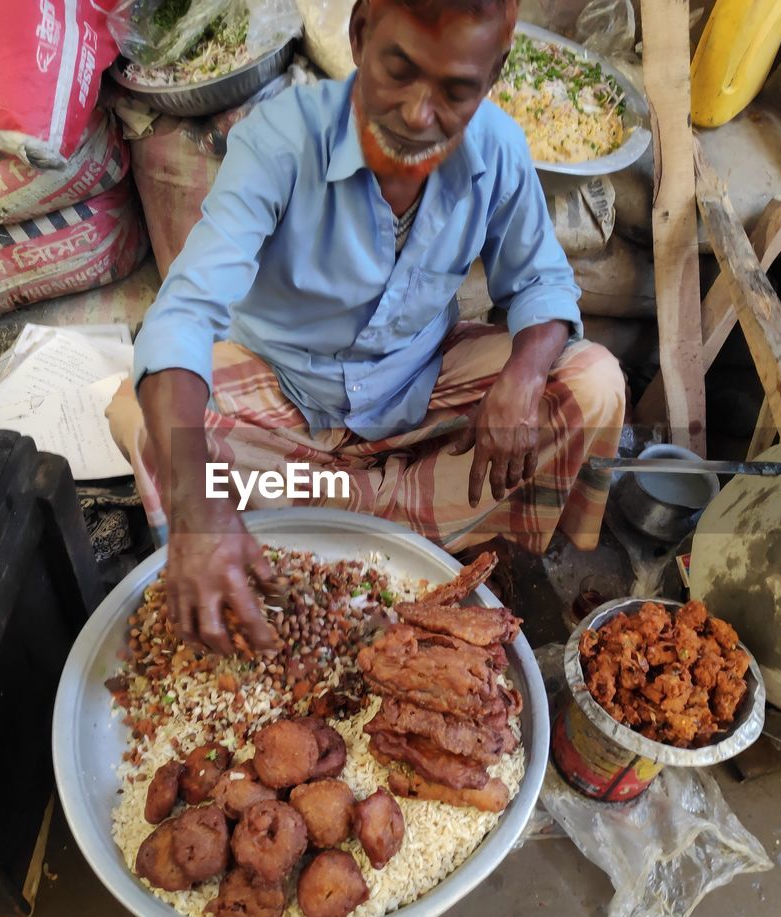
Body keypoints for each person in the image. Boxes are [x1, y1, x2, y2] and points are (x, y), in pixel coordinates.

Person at [115, 0, 626, 654]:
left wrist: (523, 378)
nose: (418, 115)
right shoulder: (279, 140)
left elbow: (542, 283)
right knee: (143, 418)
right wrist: (194, 505)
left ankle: (354, 512)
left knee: (592, 382)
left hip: (416, 385)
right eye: (400, 71)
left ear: (493, 74)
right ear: (360, 36)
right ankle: (399, 517)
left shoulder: (497, 148)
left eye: (456, 91)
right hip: (289, 392)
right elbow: (185, 310)